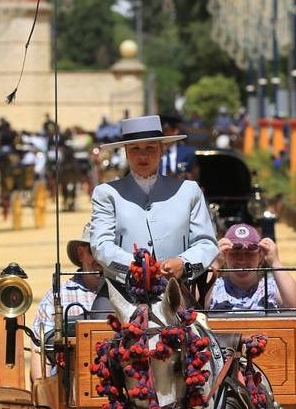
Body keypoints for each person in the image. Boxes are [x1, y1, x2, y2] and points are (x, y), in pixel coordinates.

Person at [89, 114, 218, 286]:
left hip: (177, 288)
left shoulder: (189, 191)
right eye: (135, 149)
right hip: (121, 289)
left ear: (162, 150)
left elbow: (207, 243)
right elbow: (101, 245)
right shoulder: (106, 193)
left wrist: (183, 263)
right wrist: (136, 266)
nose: (143, 156)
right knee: (98, 314)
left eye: (150, 148)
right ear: (126, 152)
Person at [30, 223, 109, 381]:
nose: (101, 258)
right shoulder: (56, 297)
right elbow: (40, 350)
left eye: (107, 252)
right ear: (81, 254)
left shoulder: (130, 295)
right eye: (94, 250)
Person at [205, 222, 296, 312]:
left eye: (250, 252)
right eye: (235, 252)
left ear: (260, 257)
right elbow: (194, 306)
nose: (242, 259)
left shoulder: (271, 288)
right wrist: (215, 264)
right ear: (225, 256)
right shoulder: (214, 287)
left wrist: (275, 262)